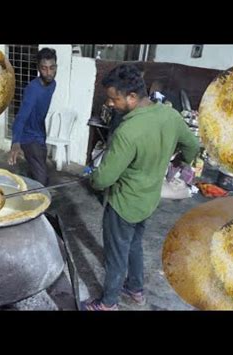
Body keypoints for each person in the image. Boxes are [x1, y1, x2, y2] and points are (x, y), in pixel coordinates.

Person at [81, 64, 199, 310]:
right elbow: (192, 146)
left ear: (132, 97)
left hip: (123, 204)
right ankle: (135, 290)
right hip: (148, 200)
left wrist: (92, 177)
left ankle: (108, 303)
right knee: (134, 244)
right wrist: (180, 161)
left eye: (114, 99)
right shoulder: (170, 115)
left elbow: (104, 179)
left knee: (115, 255)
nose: (111, 104)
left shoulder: (129, 130)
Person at [7, 48, 57, 186]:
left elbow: (40, 112)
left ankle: (28, 193)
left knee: (37, 170)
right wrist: (15, 142)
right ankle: (39, 205)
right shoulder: (32, 89)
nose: (48, 73)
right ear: (38, 68)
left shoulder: (53, 84)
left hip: (40, 134)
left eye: (52, 68)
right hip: (28, 137)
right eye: (44, 68)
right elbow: (21, 116)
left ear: (56, 67)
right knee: (42, 179)